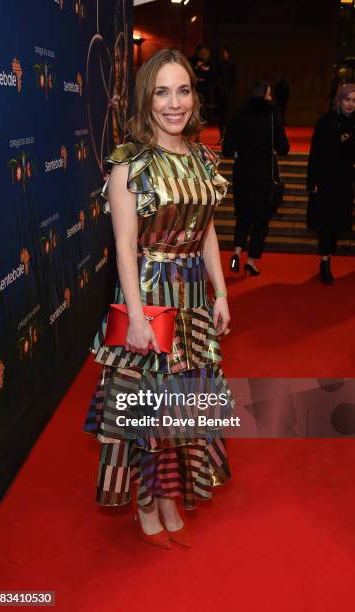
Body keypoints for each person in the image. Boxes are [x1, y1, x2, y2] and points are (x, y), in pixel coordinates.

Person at [83, 48, 235, 549]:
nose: (175, 103)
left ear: (195, 95)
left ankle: (170, 493)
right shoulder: (132, 163)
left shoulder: (202, 158)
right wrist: (137, 316)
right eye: (162, 92)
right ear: (146, 98)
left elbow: (207, 230)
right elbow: (125, 244)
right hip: (150, 295)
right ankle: (147, 500)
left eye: (184, 90)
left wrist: (221, 291)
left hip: (192, 296)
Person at [223, 80, 290, 275]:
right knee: (261, 219)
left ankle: (236, 254)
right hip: (264, 174)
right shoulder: (271, 115)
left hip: (242, 172)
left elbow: (227, 148)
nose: (271, 98)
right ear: (264, 96)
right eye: (269, 95)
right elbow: (284, 148)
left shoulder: (239, 113)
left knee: (243, 216)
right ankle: (250, 262)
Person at [307, 83, 355, 284]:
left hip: (345, 181)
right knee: (326, 224)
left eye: (354, 101)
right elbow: (316, 152)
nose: (351, 104)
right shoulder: (326, 121)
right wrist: (312, 180)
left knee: (338, 223)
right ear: (340, 100)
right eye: (348, 99)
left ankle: (329, 256)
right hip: (326, 180)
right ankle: (324, 261)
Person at [216, 46, 237, 143]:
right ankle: (221, 136)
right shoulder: (220, 64)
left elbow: (234, 79)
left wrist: (226, 83)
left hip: (228, 93)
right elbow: (217, 76)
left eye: (224, 53)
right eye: (222, 53)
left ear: (228, 54)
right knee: (221, 116)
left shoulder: (232, 64)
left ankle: (228, 137)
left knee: (228, 115)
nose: (223, 55)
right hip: (221, 93)